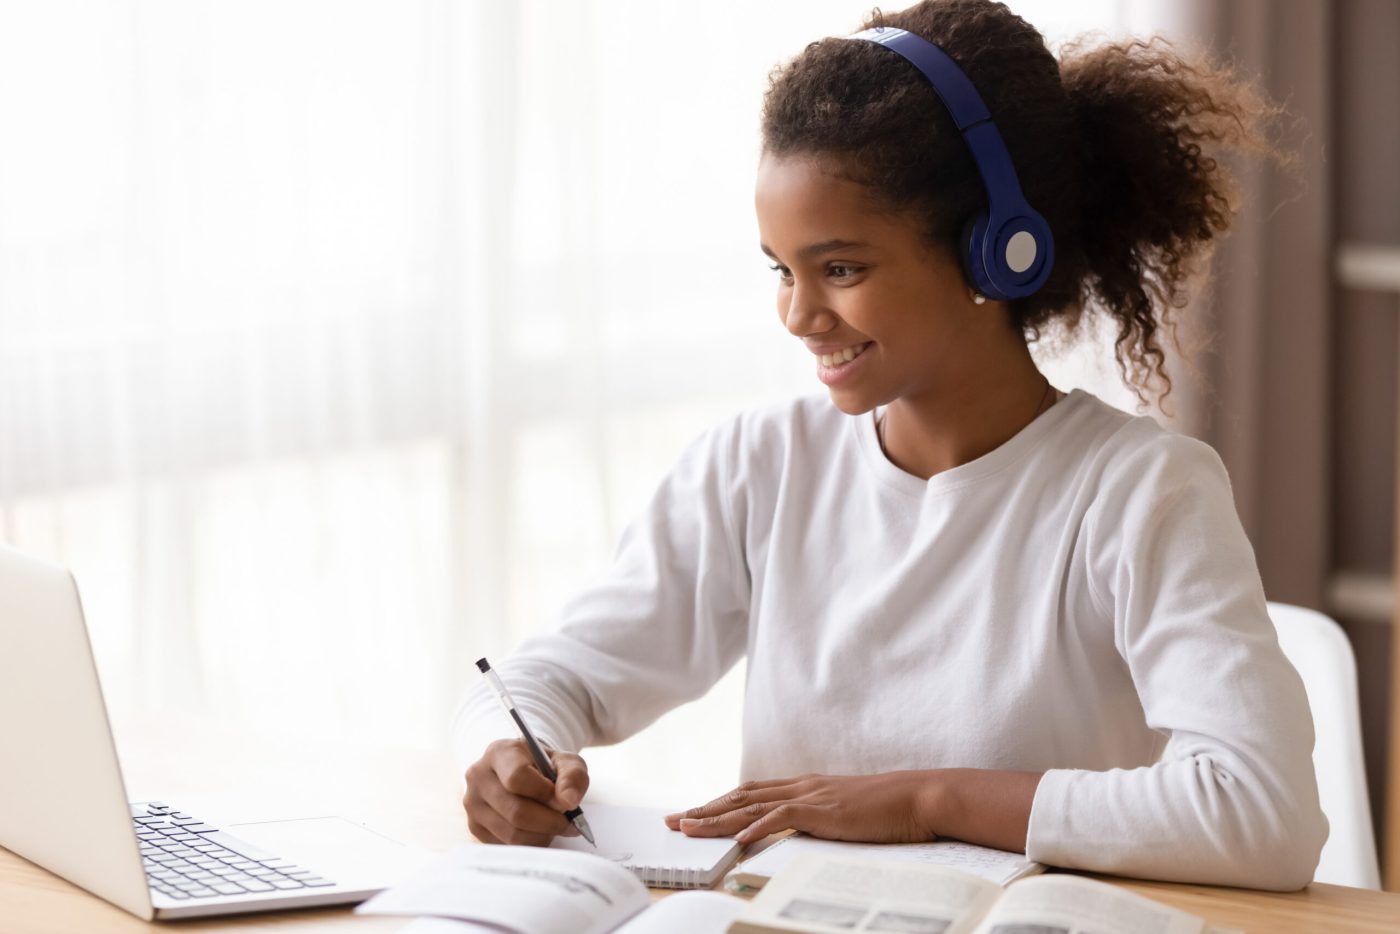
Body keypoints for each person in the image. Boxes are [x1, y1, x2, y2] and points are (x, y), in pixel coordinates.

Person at [452, 0, 1327, 891]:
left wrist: (927, 801)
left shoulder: (1140, 493)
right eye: (781, 270)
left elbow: (1265, 814)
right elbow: (550, 676)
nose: (798, 315)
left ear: (999, 252)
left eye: (841, 269)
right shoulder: (761, 467)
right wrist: (506, 748)